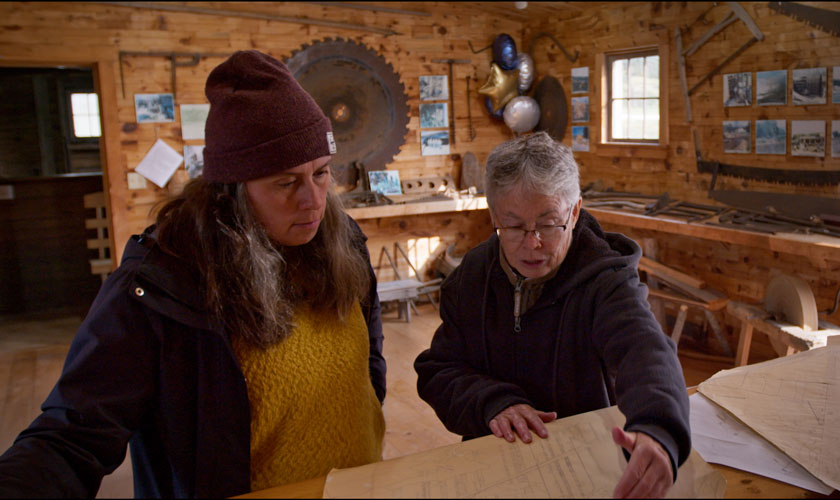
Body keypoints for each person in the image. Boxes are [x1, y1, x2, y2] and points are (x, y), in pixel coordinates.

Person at [0, 50, 386, 498]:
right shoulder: (162, 284)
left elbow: (367, 361)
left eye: (321, 174)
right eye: (285, 182)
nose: (313, 201)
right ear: (231, 192)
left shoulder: (343, 240)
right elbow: (72, 435)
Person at [414, 132, 691, 499]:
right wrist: (492, 401)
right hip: (494, 467)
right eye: (513, 226)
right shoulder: (471, 277)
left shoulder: (604, 279)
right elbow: (439, 371)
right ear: (493, 215)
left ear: (574, 212)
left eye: (548, 224)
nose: (533, 243)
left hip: (584, 470)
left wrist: (659, 430)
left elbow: (646, 351)